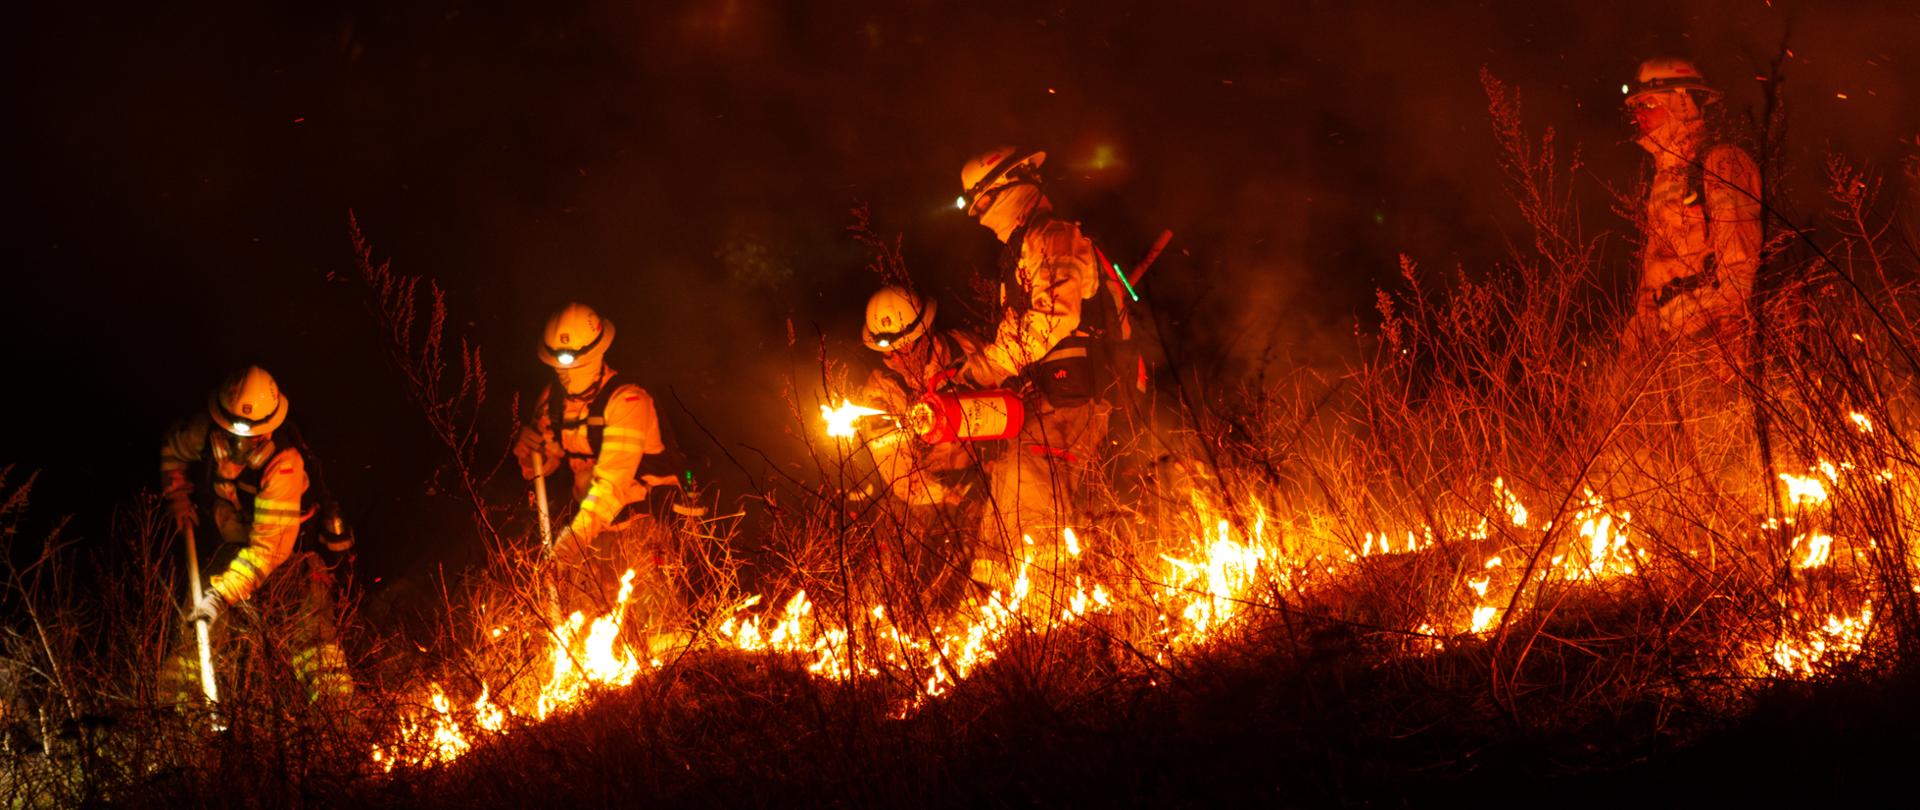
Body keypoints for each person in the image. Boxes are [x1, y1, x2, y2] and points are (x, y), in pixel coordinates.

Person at [951, 146, 1132, 596]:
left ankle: (1047, 610)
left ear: (1008, 189)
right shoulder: (1025, 247)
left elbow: (1056, 315)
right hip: (1044, 402)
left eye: (981, 202)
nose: (979, 216)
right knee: (1007, 493)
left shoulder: (1051, 237)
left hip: (1071, 398)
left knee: (1033, 500)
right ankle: (993, 613)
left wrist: (991, 366)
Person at [159, 366, 355, 707]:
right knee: (197, 629)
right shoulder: (204, 431)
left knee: (315, 650)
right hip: (234, 547)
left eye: (252, 435)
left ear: (269, 428)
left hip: (291, 560)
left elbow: (268, 550)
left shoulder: (284, 464)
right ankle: (171, 715)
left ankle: (338, 722)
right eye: (233, 432)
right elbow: (173, 451)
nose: (240, 445)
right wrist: (177, 495)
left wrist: (221, 595)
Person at [513, 303, 687, 612]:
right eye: (556, 363)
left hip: (641, 527)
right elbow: (547, 462)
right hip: (591, 528)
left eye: (572, 363)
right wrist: (530, 453)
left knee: (654, 622)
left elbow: (611, 485)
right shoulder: (552, 401)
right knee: (590, 621)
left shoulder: (629, 401)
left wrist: (570, 543)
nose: (564, 372)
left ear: (597, 353)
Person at [1623, 57, 1762, 356]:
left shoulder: (1721, 162)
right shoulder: (1663, 178)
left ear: (1681, 102)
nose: (1639, 114)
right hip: (1668, 337)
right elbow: (1654, 264)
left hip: (1712, 330)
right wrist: (1640, 331)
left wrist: (1733, 322)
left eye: (1649, 103)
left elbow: (1739, 251)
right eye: (1636, 107)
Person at [857, 286, 987, 507]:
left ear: (924, 335)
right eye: (888, 352)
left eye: (903, 348)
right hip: (939, 495)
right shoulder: (882, 393)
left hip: (992, 465)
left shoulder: (963, 350)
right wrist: (947, 494)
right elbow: (901, 476)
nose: (896, 359)